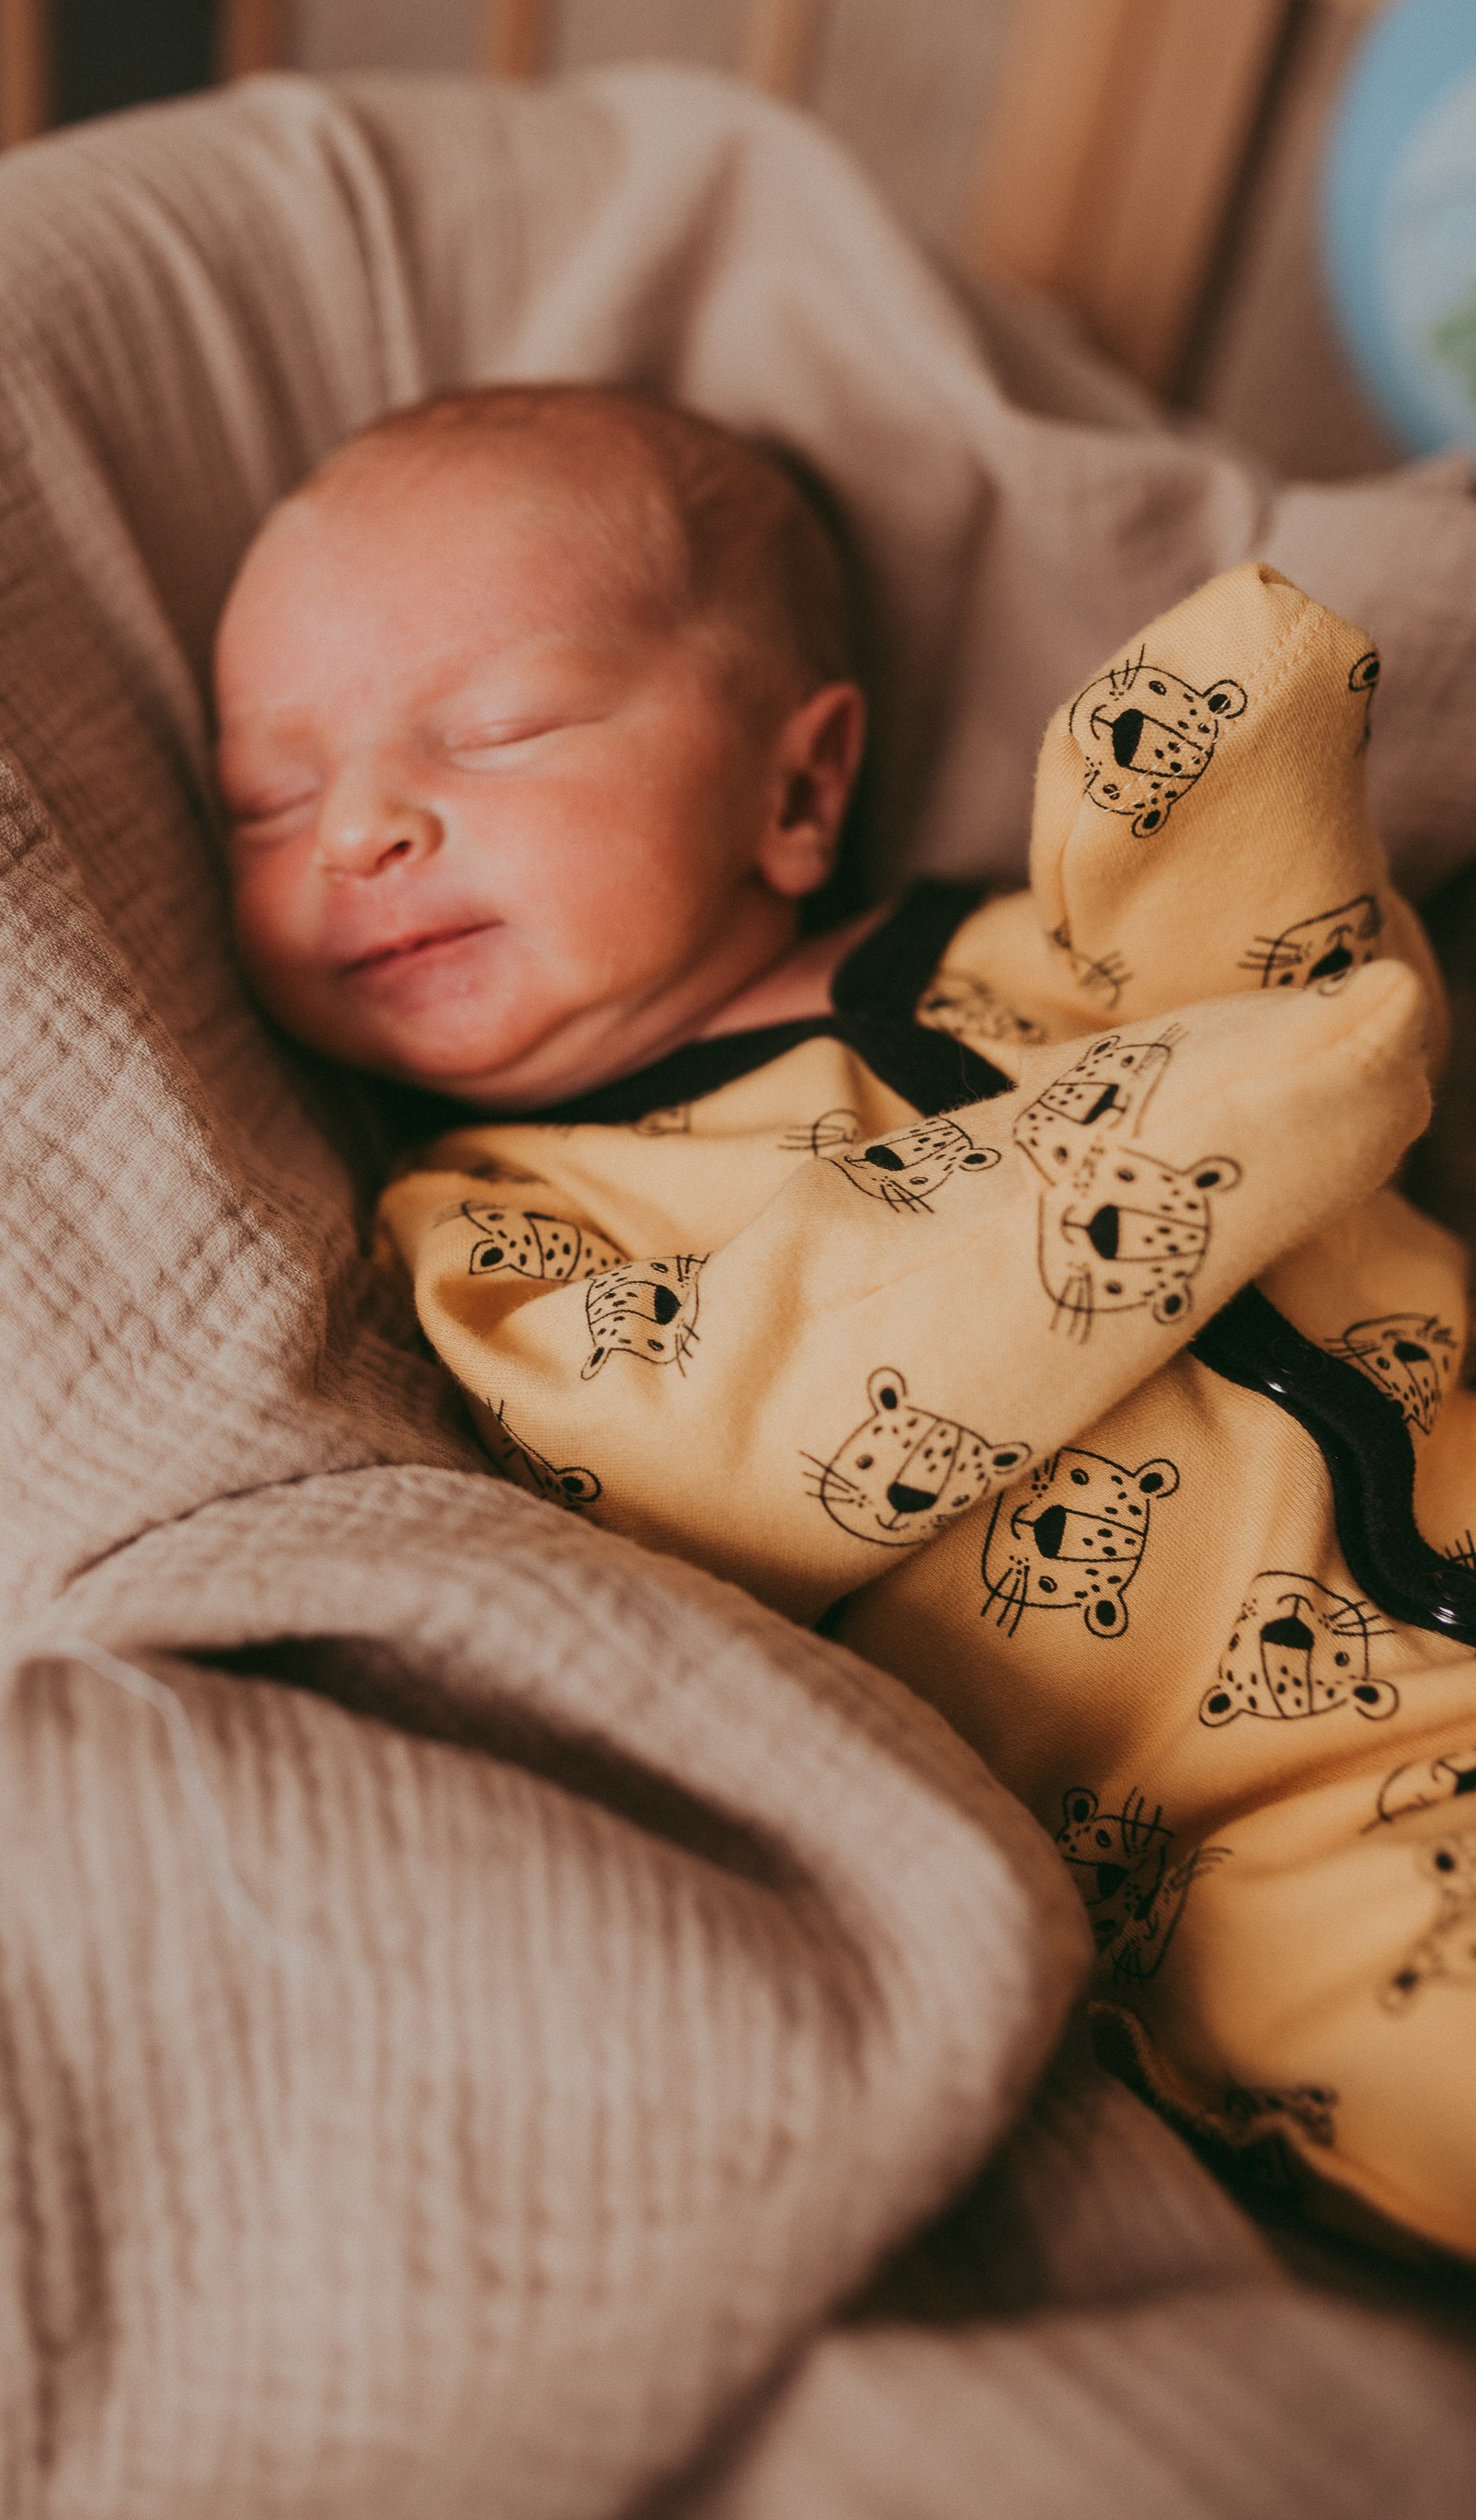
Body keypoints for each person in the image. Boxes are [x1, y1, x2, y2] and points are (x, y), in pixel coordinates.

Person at [214, 381, 1476, 2260]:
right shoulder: (502, 1220)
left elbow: (1288, 998)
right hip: (1277, 1824)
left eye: (494, 732)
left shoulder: (1019, 951)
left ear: (799, 791)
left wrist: (1205, 770)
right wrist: (1221, 1104)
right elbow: (734, 1438)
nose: (364, 830)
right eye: (267, 800)